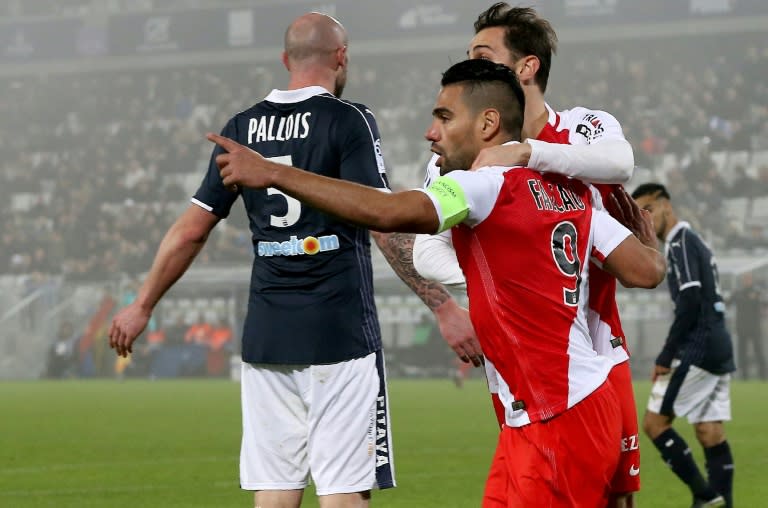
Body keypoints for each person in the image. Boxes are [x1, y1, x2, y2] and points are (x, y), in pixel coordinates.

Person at [207, 58, 667, 507]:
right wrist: (649, 244)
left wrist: (273, 173)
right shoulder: (568, 191)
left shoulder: (482, 185)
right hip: (553, 410)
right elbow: (646, 272)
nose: (432, 132)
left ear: (488, 124)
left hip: (557, 414)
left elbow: (388, 212)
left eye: (444, 117)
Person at [109, 13, 395, 508]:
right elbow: (379, 216)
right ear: (342, 57)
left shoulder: (240, 130)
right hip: (339, 330)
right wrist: (441, 305)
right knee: (344, 489)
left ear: (285, 60)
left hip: (267, 334)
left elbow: (191, 231)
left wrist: (142, 304)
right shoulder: (349, 119)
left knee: (275, 489)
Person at [413, 5, 647, 506]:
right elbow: (424, 250)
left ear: (526, 67)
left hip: (601, 348)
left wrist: (527, 152)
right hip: (520, 363)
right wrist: (504, 278)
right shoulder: (456, 156)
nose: (470, 62)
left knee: (617, 495)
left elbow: (620, 164)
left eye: (483, 53)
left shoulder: (584, 126)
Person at [632, 183, 735, 508]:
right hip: (719, 344)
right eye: (639, 214)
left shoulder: (679, 243)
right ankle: (724, 503)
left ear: (665, 205)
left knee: (654, 424)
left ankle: (704, 496)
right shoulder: (698, 242)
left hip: (699, 347)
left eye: (648, 209)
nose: (645, 218)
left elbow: (690, 300)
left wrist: (666, 354)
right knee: (709, 431)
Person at [731, 271, 766, 379]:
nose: (746, 281)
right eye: (745, 279)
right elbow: (728, 301)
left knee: (759, 351)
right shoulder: (738, 293)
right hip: (741, 327)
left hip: (755, 327)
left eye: (748, 279)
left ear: (752, 280)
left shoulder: (757, 292)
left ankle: (763, 375)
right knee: (742, 353)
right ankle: (744, 375)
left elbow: (764, 305)